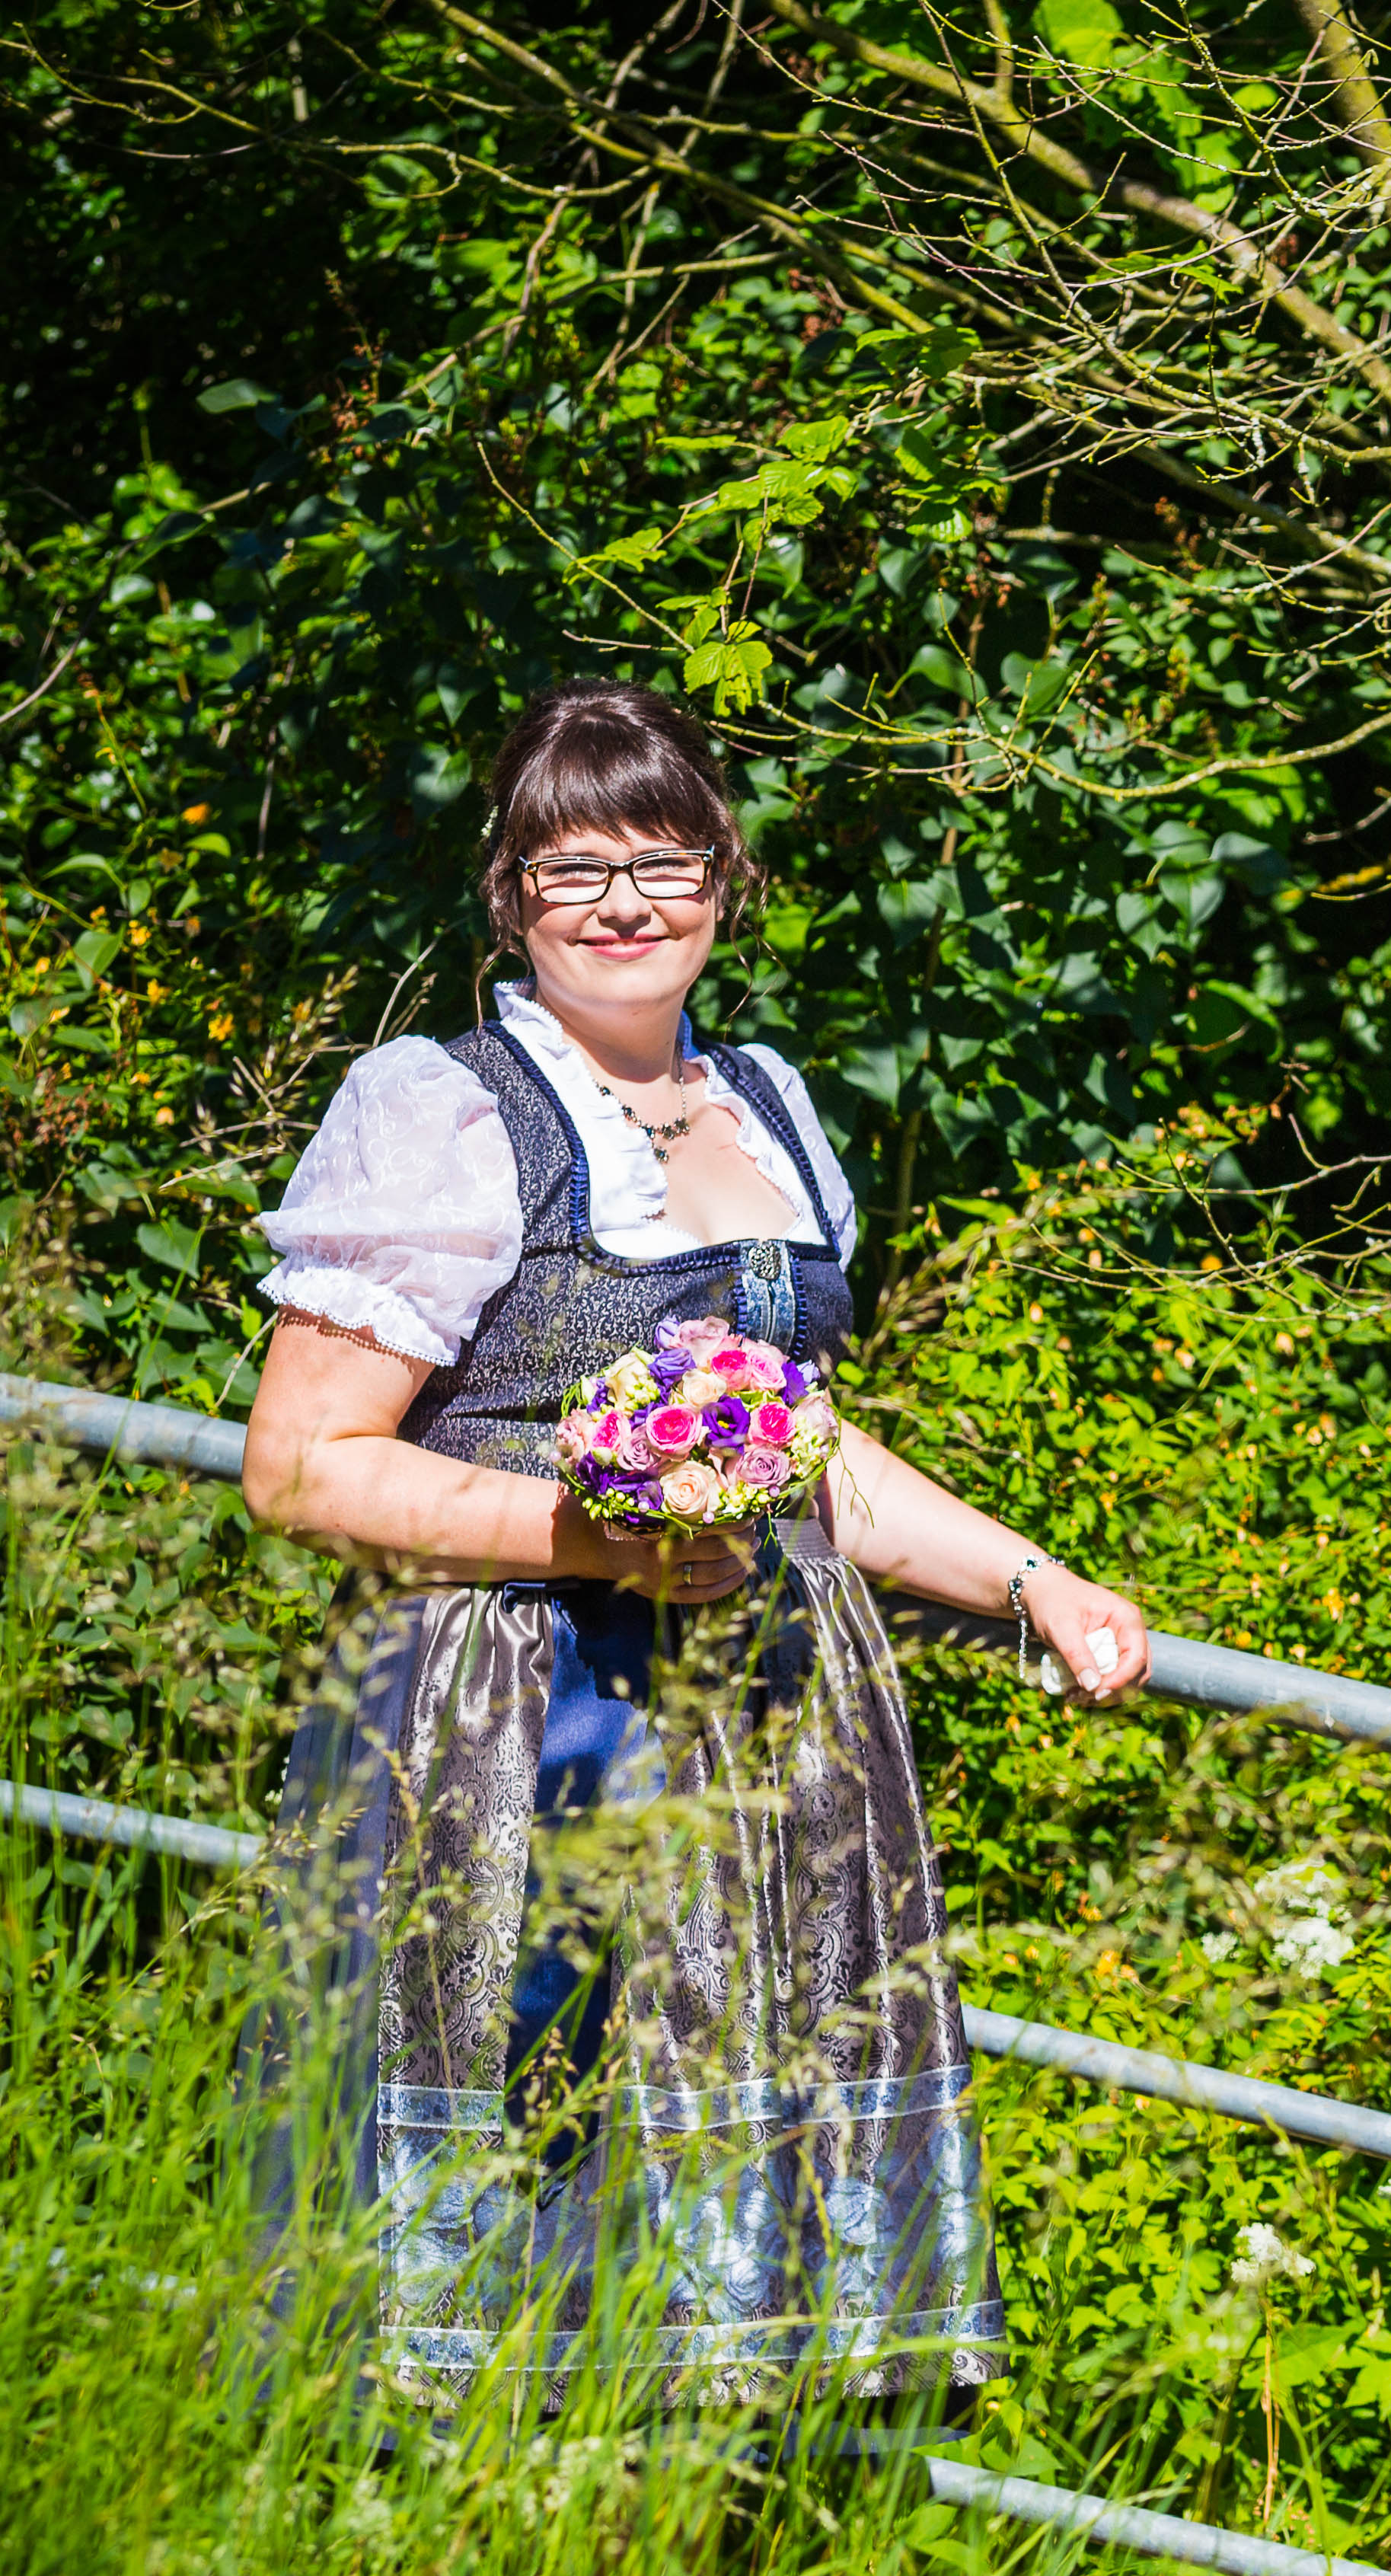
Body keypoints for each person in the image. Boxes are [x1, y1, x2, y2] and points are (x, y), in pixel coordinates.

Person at [238, 678, 1148, 2412]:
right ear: (509, 896)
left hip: (775, 1728)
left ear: (726, 881)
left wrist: (1033, 1581)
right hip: (522, 1717)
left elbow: (803, 1448)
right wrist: (602, 1548)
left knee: (737, 2177)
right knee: (534, 2128)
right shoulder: (443, 1110)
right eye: (573, 868)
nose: (625, 903)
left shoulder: (769, 1106)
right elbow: (302, 1468)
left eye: (664, 860)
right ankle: (459, 2555)